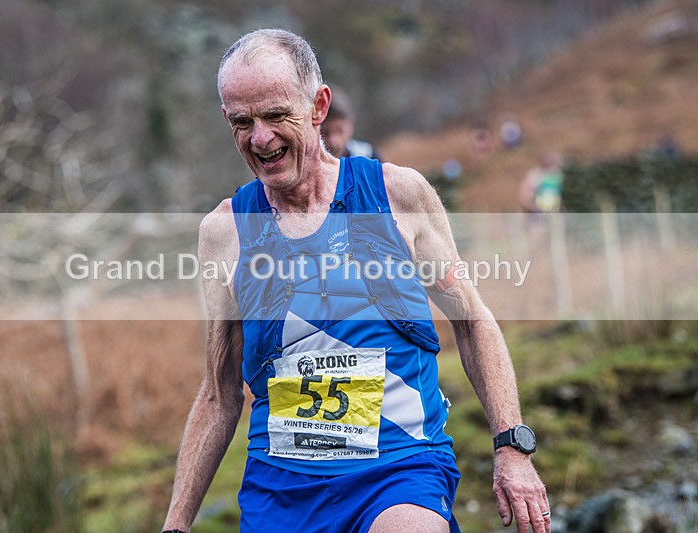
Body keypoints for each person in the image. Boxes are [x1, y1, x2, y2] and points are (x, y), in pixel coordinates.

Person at [162, 29, 549, 533]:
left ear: (319, 106)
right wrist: (175, 524)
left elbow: (471, 322)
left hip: (398, 470)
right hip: (283, 491)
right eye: (243, 121)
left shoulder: (397, 195)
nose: (260, 138)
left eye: (277, 116)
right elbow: (219, 393)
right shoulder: (224, 232)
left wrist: (511, 446)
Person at [320, 85, 380, 160]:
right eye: (324, 133)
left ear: (351, 126)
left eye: (340, 131)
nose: (333, 141)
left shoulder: (368, 156)